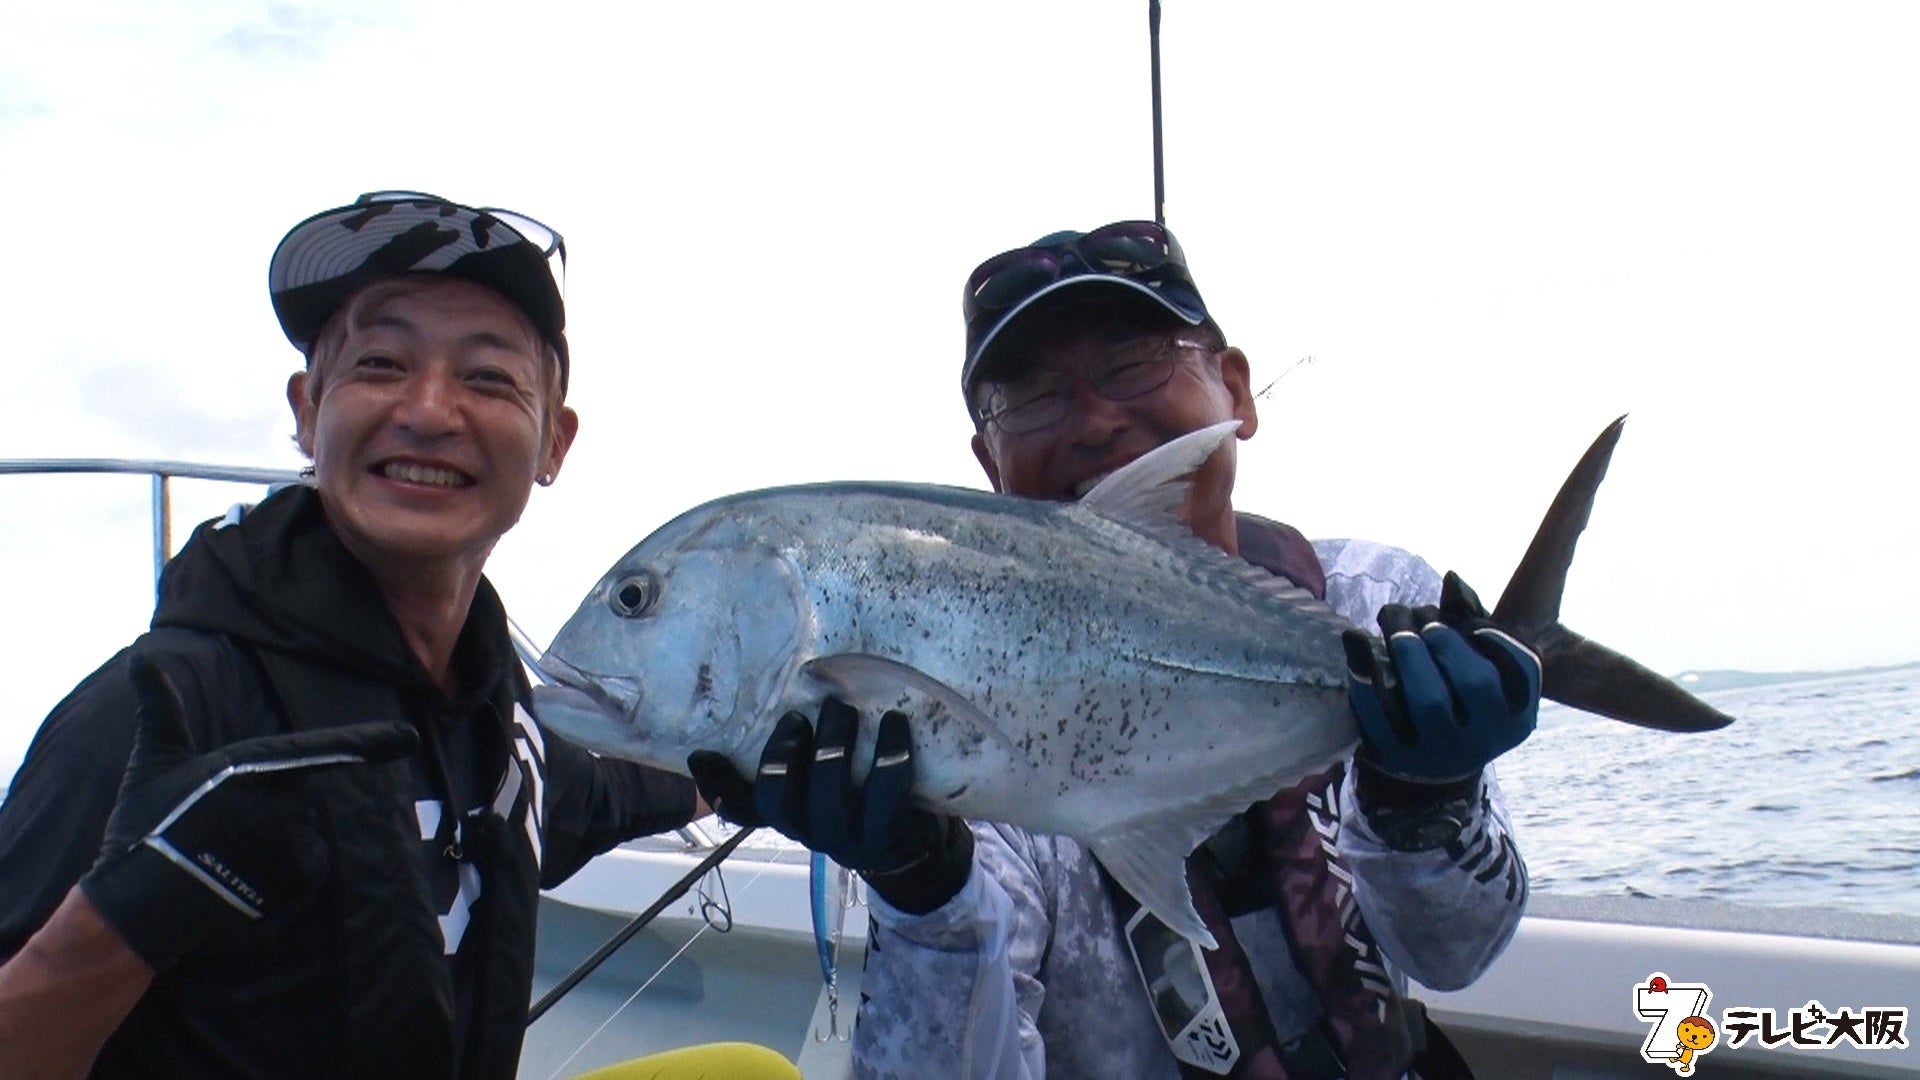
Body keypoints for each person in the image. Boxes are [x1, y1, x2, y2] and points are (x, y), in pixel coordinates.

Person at [690, 221, 1542, 1078]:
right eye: (1032, 395)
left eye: (1133, 362)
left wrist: (1424, 802)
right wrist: (924, 894)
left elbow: (1457, 953)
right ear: (988, 460)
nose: (1095, 423)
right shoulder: (967, 756)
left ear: (1235, 390)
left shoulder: (1371, 604)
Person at [0, 192, 788, 1079]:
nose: (429, 410)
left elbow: (597, 796)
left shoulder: (500, 727)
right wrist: (121, 922)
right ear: (307, 410)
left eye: (487, 378)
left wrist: (744, 770)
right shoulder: (157, 715)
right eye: (380, 364)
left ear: (554, 445)